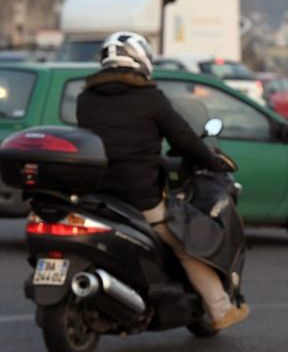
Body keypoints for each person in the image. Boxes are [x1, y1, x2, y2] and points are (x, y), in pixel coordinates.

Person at [76, 31, 249, 330]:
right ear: (140, 59)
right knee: (188, 244)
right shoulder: (150, 98)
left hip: (97, 194)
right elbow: (184, 141)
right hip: (140, 198)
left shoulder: (85, 99)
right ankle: (221, 309)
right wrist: (211, 161)